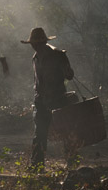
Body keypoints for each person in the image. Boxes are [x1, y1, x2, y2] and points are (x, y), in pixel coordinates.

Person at [21, 27, 74, 169]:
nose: (35, 45)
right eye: (33, 43)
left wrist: (66, 68)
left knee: (65, 131)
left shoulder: (58, 55)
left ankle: (71, 162)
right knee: (40, 132)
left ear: (43, 42)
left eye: (37, 43)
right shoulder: (35, 58)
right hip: (41, 100)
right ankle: (36, 166)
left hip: (58, 98)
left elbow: (69, 75)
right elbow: (37, 81)